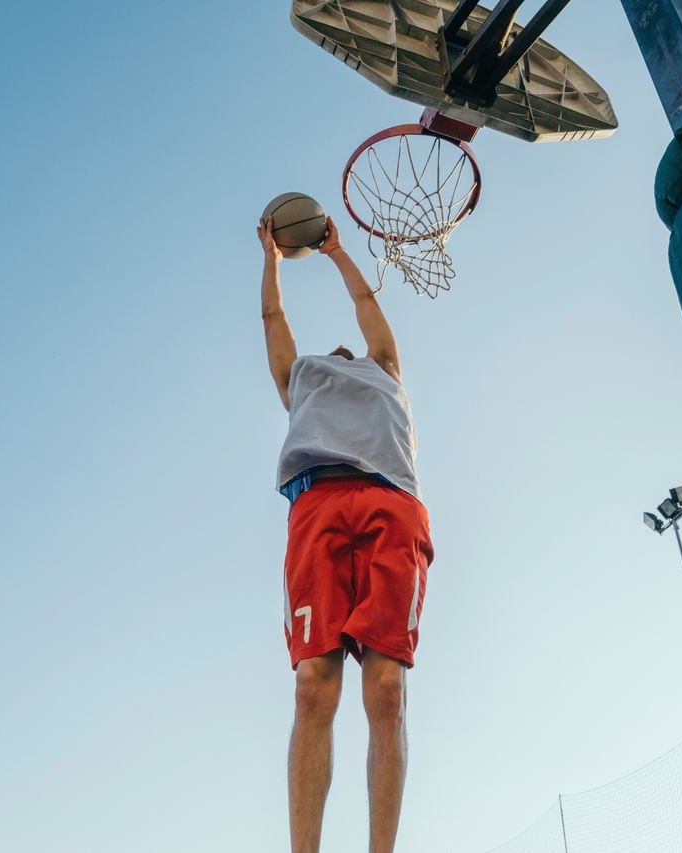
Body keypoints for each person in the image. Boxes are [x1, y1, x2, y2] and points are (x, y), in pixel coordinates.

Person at [258, 213, 434, 853]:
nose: (338, 347)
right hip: (318, 505)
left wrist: (335, 251)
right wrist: (272, 258)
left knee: (386, 689)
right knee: (313, 686)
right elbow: (274, 322)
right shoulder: (299, 377)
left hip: (392, 504)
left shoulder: (383, 365)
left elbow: (364, 302)